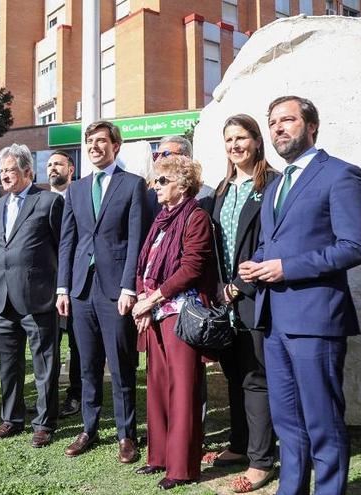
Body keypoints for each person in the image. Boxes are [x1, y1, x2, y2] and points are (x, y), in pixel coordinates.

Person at [239, 96, 361, 495]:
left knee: (322, 420)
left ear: (311, 126)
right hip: (274, 319)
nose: (278, 128)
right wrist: (256, 262)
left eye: (288, 120)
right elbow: (273, 242)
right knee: (288, 421)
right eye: (272, 122)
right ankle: (290, 489)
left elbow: (353, 246)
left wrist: (286, 268)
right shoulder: (275, 184)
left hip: (316, 318)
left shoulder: (340, 174)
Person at [56, 120, 149, 463]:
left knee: (121, 364)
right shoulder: (77, 189)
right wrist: (63, 287)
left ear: (115, 146)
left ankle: (126, 434)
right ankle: (89, 428)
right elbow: (68, 241)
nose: (94, 147)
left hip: (116, 290)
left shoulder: (133, 185)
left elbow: (136, 239)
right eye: (90, 141)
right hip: (81, 289)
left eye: (101, 141)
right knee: (87, 363)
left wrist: (129, 287)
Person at [130, 155, 216, 489]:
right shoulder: (161, 219)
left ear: (183, 185)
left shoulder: (196, 217)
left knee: (183, 390)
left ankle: (181, 468)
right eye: (155, 180)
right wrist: (143, 301)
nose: (155, 186)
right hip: (155, 314)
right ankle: (160, 457)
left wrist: (151, 299)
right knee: (157, 386)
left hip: (181, 314)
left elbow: (191, 268)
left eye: (163, 181)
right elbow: (145, 265)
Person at [204, 115, 279, 492]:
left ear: (257, 141)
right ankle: (239, 443)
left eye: (242, 138)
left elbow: (272, 241)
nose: (235, 145)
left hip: (255, 296)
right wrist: (219, 287)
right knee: (233, 373)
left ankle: (261, 460)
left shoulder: (272, 185)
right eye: (229, 139)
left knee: (255, 377)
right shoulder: (221, 189)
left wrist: (239, 285)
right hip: (225, 301)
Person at [0, 144, 64, 448]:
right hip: (2, 298)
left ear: (28, 172)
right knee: (8, 364)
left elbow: (62, 249)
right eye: (2, 171)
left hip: (38, 298)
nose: (5, 176)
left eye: (10, 170)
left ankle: (44, 423)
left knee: (44, 364)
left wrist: (61, 289)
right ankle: (12, 418)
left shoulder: (48, 202)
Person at [45, 151, 81, 418]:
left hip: (76, 283)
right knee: (49, 344)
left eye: (58, 163)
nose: (52, 168)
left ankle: (75, 395)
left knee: (77, 344)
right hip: (46, 286)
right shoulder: (39, 201)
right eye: (49, 164)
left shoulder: (80, 197)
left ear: (71, 169)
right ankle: (48, 398)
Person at [156, 136, 215, 201]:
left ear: (186, 157)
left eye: (165, 154)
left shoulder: (206, 196)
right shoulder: (153, 196)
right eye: (157, 155)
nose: (158, 159)